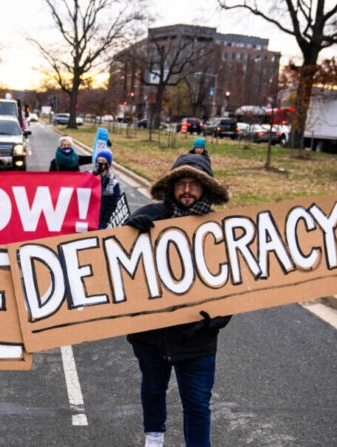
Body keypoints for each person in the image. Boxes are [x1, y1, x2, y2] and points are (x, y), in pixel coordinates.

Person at [123, 154, 231, 447]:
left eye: (193, 185)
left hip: (198, 338)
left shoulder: (219, 228)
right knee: (153, 388)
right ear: (171, 187)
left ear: (205, 190)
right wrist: (128, 230)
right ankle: (154, 438)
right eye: (181, 184)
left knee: (197, 402)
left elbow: (234, 278)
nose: (186, 190)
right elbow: (112, 259)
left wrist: (223, 314)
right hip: (150, 335)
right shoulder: (151, 215)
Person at [93, 149, 122, 229]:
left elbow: (112, 205)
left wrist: (104, 222)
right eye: (98, 160)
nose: (100, 163)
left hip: (102, 220)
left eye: (103, 161)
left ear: (108, 164)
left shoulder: (113, 183)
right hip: (90, 218)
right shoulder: (91, 177)